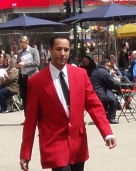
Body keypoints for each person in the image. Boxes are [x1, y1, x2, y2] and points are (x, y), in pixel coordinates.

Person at [19, 34, 116, 171]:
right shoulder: (36, 81)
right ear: (50, 50)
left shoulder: (80, 74)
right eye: (58, 49)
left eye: (66, 49)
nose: (63, 53)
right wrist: (25, 153)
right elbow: (30, 120)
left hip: (78, 145)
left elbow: (94, 106)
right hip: (54, 145)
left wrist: (107, 133)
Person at [88, 57, 123, 124]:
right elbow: (114, 83)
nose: (110, 67)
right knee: (114, 99)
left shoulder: (96, 70)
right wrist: (118, 82)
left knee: (110, 97)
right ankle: (111, 118)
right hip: (101, 94)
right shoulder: (104, 72)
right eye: (109, 65)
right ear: (106, 65)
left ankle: (105, 116)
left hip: (95, 93)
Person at [17, 35, 40, 112]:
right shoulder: (19, 52)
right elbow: (18, 63)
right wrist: (17, 65)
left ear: (27, 43)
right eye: (20, 44)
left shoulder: (34, 51)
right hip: (22, 77)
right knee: (24, 97)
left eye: (22, 44)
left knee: (32, 97)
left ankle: (34, 114)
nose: (21, 46)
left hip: (31, 77)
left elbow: (37, 63)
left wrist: (25, 64)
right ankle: (26, 116)